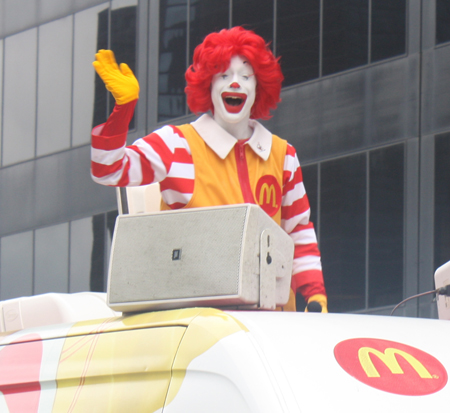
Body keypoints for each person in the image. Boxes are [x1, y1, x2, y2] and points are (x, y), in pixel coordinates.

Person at [91, 26, 327, 312]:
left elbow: (298, 234)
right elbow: (109, 170)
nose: (235, 83)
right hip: (201, 324)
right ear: (209, 85)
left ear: (259, 86)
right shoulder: (178, 145)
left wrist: (315, 295)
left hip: (271, 326)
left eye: (245, 76)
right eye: (224, 75)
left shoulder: (283, 156)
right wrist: (123, 109)